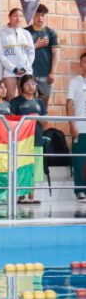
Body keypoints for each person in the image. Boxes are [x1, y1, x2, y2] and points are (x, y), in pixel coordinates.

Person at [11, 75, 46, 205]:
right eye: (27, 84)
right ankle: (21, 195)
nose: (31, 86)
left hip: (36, 138)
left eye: (33, 84)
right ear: (21, 87)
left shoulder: (40, 102)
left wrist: (38, 118)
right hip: (22, 140)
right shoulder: (15, 102)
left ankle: (31, 196)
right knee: (22, 167)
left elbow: (46, 122)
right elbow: (11, 121)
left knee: (34, 169)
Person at [26, 4, 58, 106]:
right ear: (32, 16)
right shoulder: (25, 32)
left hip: (45, 75)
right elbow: (21, 54)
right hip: (29, 75)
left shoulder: (51, 32)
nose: (40, 18)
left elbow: (56, 54)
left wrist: (52, 72)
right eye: (37, 15)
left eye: (42, 15)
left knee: (43, 107)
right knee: (30, 105)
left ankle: (40, 122)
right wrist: (36, 45)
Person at [0, 8, 35, 99]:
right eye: (15, 15)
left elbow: (31, 53)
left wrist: (25, 68)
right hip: (9, 71)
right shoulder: (2, 33)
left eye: (20, 16)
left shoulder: (26, 33)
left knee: (25, 97)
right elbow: (0, 54)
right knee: (10, 97)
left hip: (25, 71)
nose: (18, 18)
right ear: (9, 17)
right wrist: (13, 69)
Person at [67, 53, 86, 202]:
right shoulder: (74, 82)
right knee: (79, 160)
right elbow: (69, 104)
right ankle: (80, 190)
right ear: (81, 64)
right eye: (85, 62)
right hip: (80, 128)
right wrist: (71, 124)